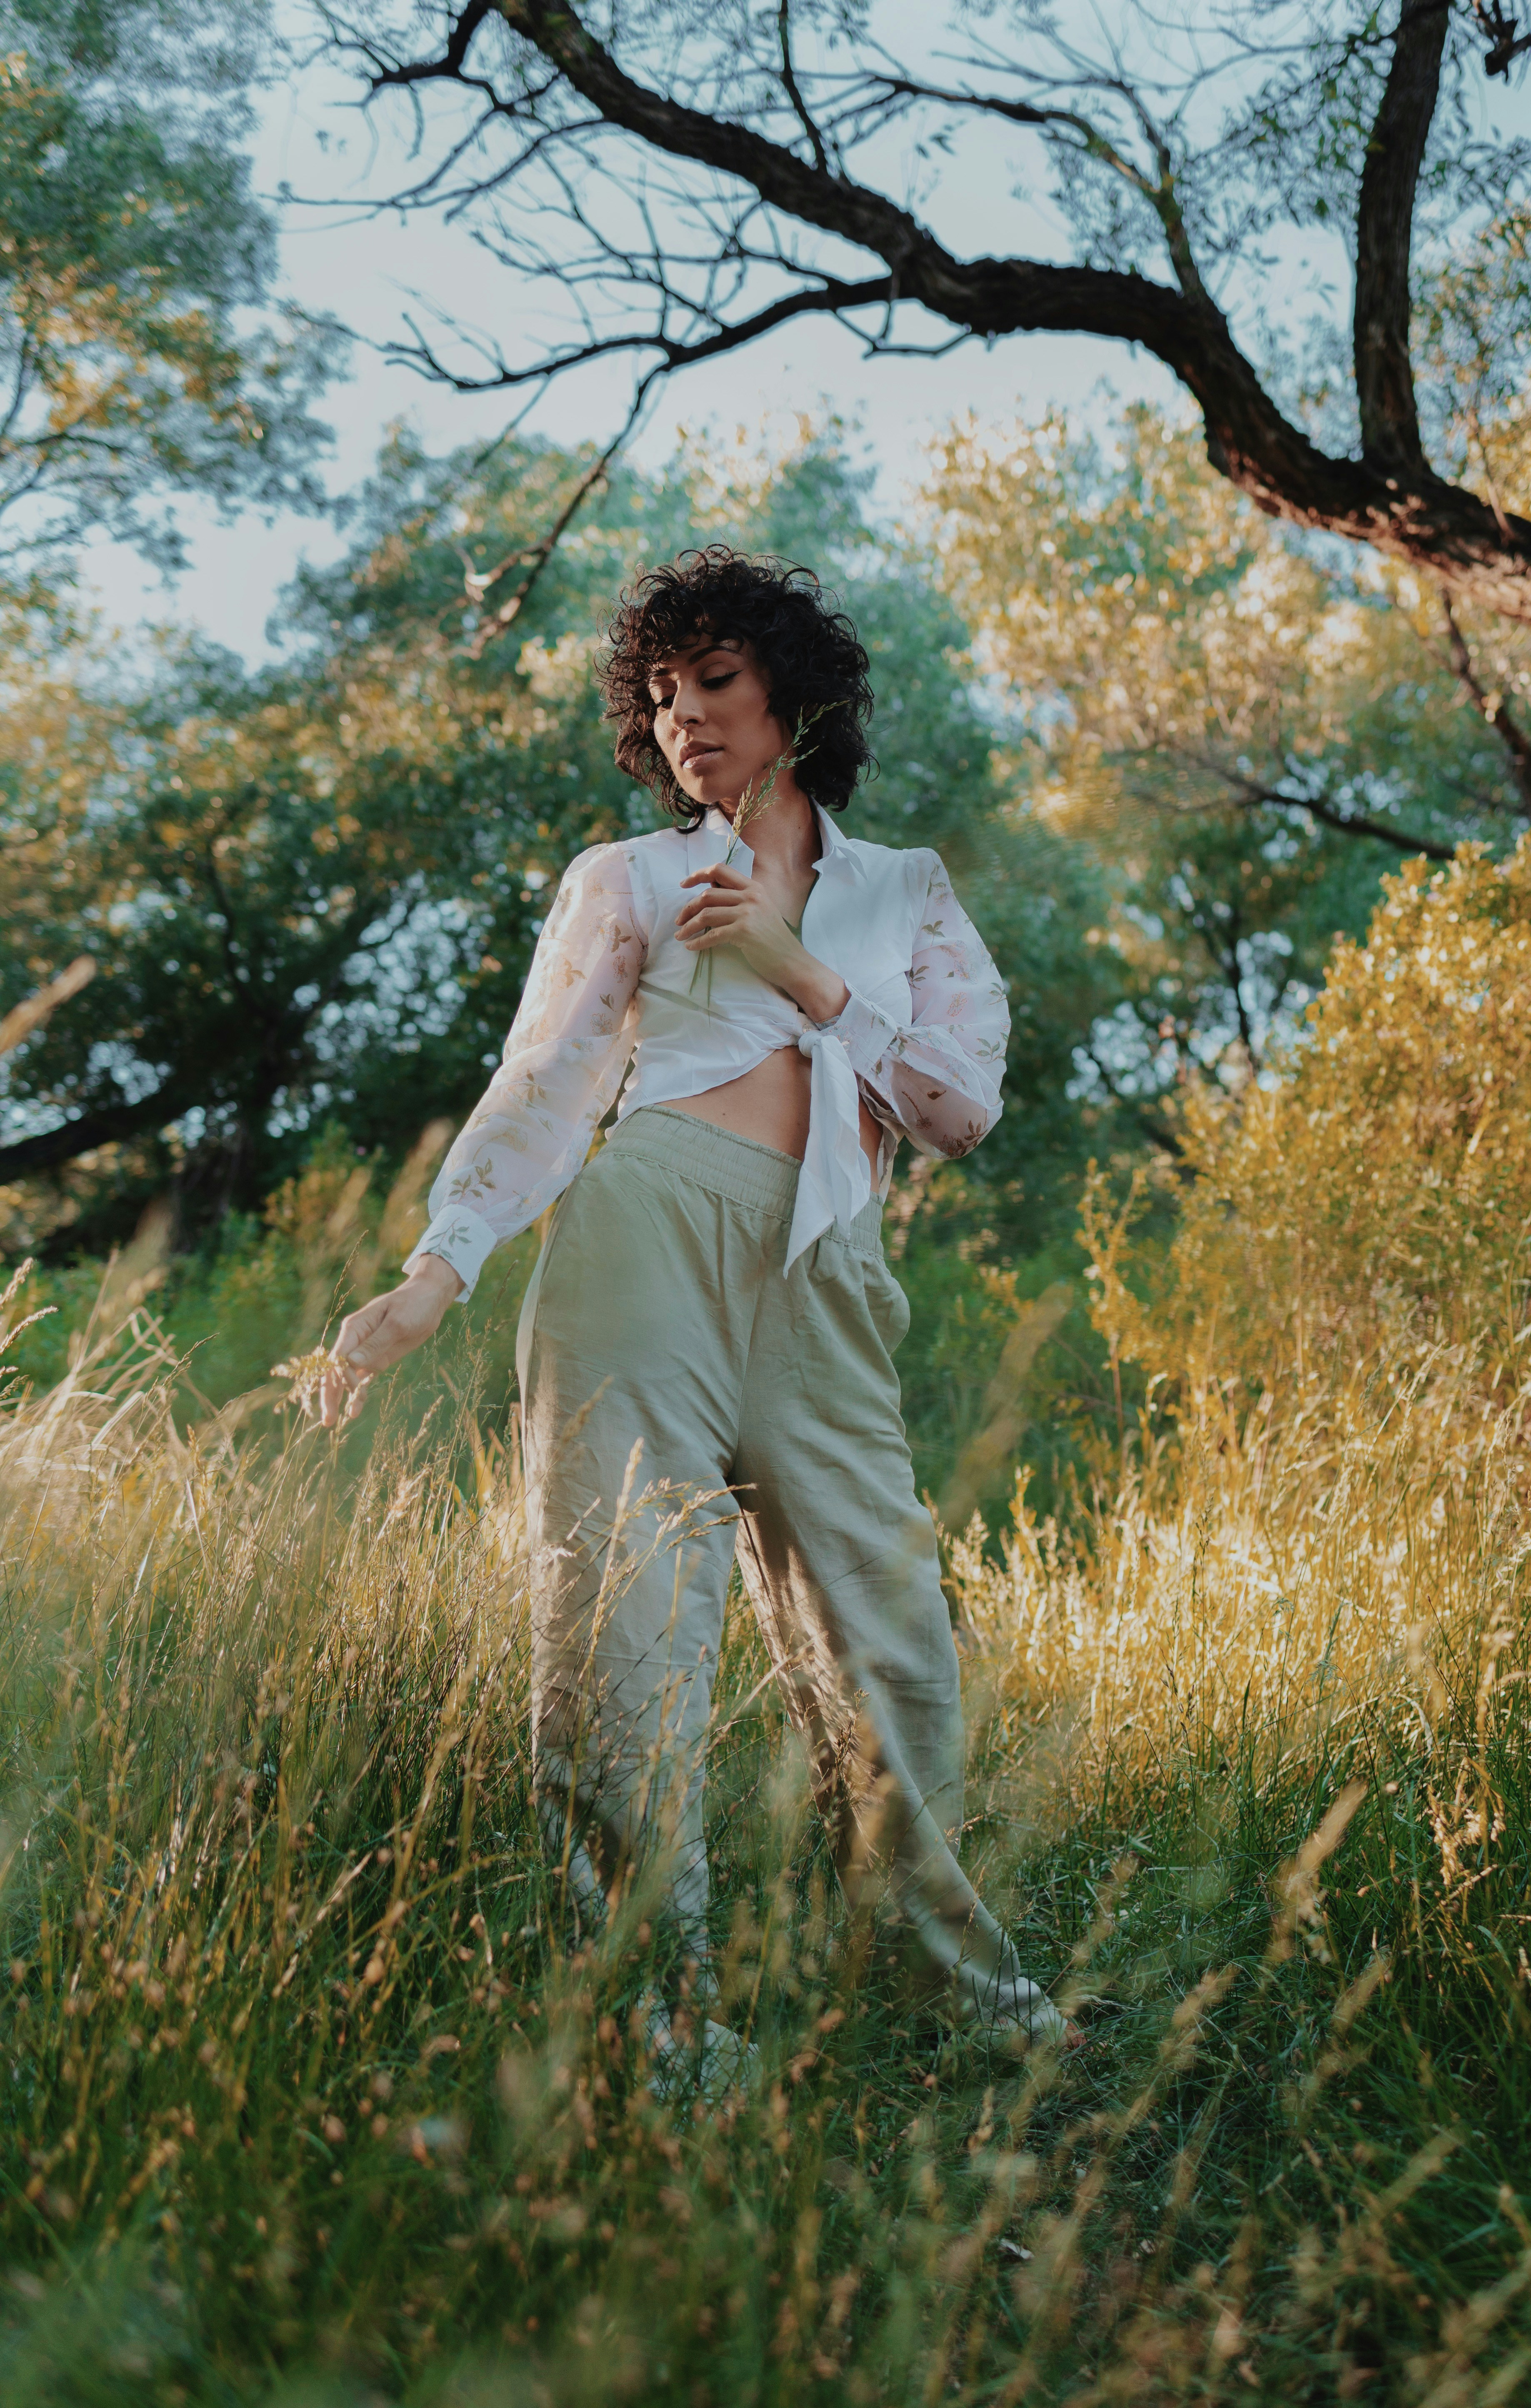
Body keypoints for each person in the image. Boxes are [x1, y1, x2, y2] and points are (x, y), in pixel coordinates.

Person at [319, 547, 1066, 2068]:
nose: (685, 721)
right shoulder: (630, 880)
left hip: (827, 1271)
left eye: (716, 682)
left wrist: (804, 974)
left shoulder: (906, 888)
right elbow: (541, 1087)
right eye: (661, 697)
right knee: (622, 1634)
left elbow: (961, 1107)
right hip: (642, 1235)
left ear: (793, 695)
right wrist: (434, 1270)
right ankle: (655, 2029)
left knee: (894, 1640)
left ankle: (945, 1996)